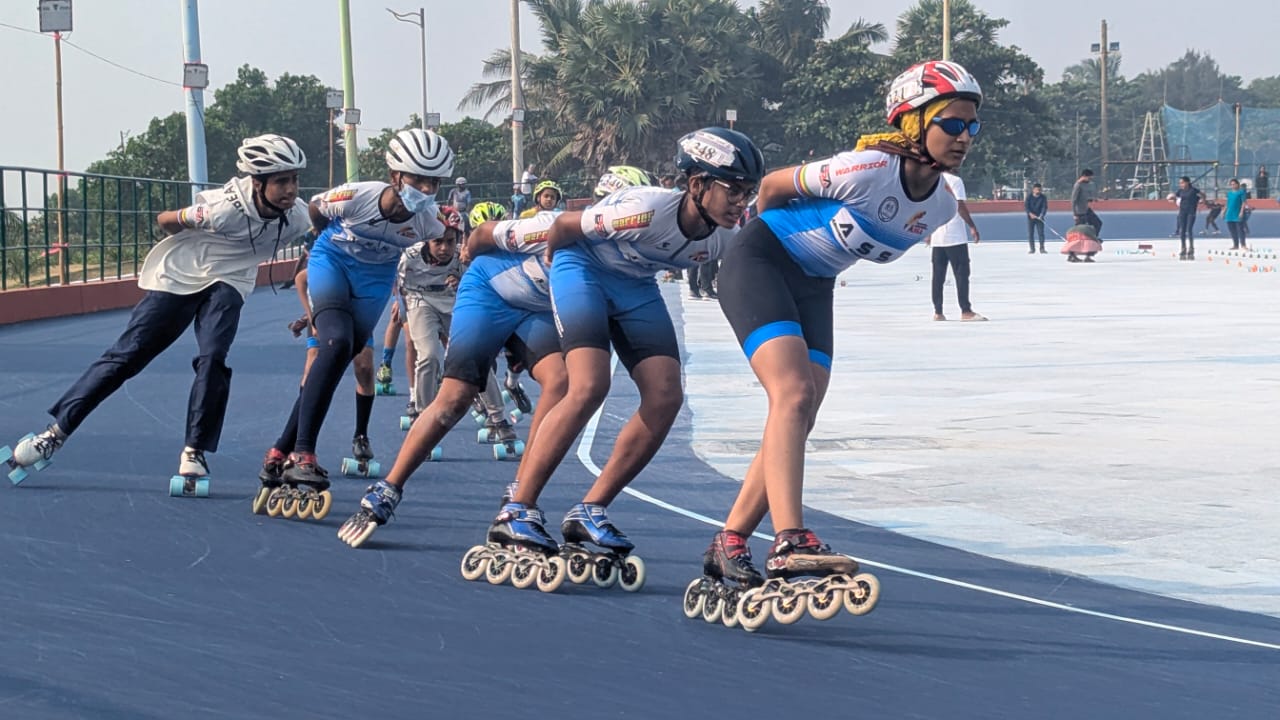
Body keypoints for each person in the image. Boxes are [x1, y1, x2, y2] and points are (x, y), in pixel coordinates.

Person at [688, 60, 983, 629]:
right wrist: (771, 241)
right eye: (953, 123)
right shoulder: (866, 167)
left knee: (800, 412)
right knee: (792, 394)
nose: (965, 138)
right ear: (913, 121)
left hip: (814, 285)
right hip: (762, 261)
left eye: (974, 127)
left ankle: (729, 540)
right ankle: (789, 539)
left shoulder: (942, 203)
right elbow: (771, 187)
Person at [515, 127, 764, 584]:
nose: (741, 202)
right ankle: (518, 507)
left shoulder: (728, 236)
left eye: (749, 192)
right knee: (589, 385)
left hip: (636, 284)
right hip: (583, 267)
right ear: (696, 185)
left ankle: (590, 508)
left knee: (666, 397)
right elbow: (565, 227)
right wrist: (553, 275)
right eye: (733, 190)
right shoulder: (644, 208)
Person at [2, 135, 309, 487]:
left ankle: (194, 451)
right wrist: (189, 216)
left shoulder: (299, 217)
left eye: (295, 179)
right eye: (281, 181)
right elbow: (164, 220)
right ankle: (55, 433)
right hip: (181, 274)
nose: (291, 189)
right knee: (127, 357)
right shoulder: (224, 209)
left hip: (231, 280)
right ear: (257, 183)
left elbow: (323, 244)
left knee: (213, 357)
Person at [337, 209, 572, 553]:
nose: (445, 247)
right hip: (487, 292)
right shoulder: (548, 226)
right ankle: (388, 488)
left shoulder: (625, 260)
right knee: (455, 397)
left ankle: (519, 500)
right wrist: (466, 253)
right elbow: (479, 237)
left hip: (529, 307)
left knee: (561, 380)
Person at [255, 128, 450, 517]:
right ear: (396, 176)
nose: (425, 189)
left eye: (433, 182)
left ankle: (279, 448)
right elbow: (315, 208)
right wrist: (318, 237)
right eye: (417, 180)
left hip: (373, 281)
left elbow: (444, 252)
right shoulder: (358, 195)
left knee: (339, 356)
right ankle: (302, 453)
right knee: (334, 343)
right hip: (333, 263)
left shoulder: (430, 223)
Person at [397, 206, 464, 425]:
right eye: (438, 242)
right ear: (427, 240)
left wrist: (461, 282)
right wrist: (402, 308)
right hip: (419, 299)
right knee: (427, 355)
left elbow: (476, 287)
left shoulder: (462, 257)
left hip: (449, 300)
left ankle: (495, 415)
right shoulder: (411, 255)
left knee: (470, 352)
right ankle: (422, 411)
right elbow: (397, 285)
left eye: (450, 242)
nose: (444, 248)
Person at [929, 172, 984, 321]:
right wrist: (972, 226)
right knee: (961, 273)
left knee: (938, 276)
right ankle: (965, 311)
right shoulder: (954, 180)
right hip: (954, 235)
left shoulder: (932, 179)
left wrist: (928, 231)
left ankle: (938, 312)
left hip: (937, 235)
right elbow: (959, 205)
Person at [1173, 176, 1203, 260]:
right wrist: (1172, 198)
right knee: (1182, 230)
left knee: (1189, 230)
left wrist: (1202, 201)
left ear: (1187, 182)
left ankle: (1191, 248)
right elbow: (1175, 197)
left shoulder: (1193, 190)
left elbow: (1202, 195)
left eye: (1182, 182)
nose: (1181, 184)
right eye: (1180, 183)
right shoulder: (1180, 191)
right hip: (1182, 212)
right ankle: (1183, 247)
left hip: (1191, 212)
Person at [1071, 169, 1102, 239]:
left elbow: (1085, 197)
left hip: (1087, 209)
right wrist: (1075, 214)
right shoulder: (1078, 185)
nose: (1090, 180)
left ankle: (1093, 238)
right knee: (1080, 229)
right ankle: (1076, 243)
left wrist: (1092, 199)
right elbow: (1073, 200)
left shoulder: (1088, 184)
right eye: (1089, 178)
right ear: (1084, 176)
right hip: (1079, 212)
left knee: (1098, 223)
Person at [1224, 178, 1250, 250]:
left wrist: (1241, 212)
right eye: (1231, 184)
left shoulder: (1241, 192)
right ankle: (1235, 245)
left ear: (1237, 184)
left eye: (1234, 184)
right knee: (1232, 230)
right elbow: (1227, 203)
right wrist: (1224, 211)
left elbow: (1243, 202)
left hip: (1237, 213)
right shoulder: (1229, 193)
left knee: (1240, 229)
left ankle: (1243, 244)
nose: (1233, 185)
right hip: (1230, 213)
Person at [1025, 183, 1047, 253]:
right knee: (1030, 233)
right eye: (1037, 190)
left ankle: (1042, 248)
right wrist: (1030, 213)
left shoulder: (1043, 197)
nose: (1039, 191)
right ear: (1033, 190)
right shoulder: (1029, 197)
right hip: (1031, 218)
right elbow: (1026, 207)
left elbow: (1044, 207)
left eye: (1040, 190)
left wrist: (1041, 215)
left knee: (1041, 233)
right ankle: (1032, 249)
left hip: (1039, 218)